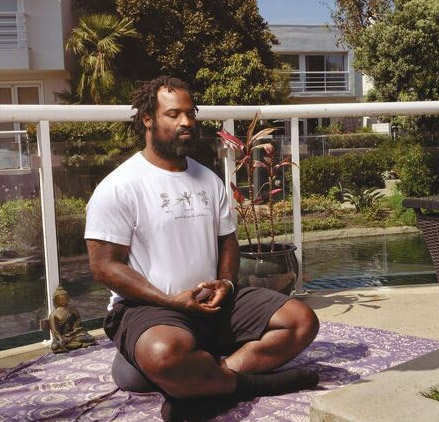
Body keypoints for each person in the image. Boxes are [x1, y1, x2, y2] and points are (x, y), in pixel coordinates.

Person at [84, 76, 320, 421]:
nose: (186, 123)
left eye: (190, 114)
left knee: (301, 321)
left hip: (214, 303)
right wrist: (169, 300)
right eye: (174, 114)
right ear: (148, 118)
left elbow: (227, 241)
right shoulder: (119, 186)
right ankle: (249, 385)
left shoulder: (207, 179)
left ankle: (208, 381)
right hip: (150, 306)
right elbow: (104, 267)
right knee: (164, 353)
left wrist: (225, 284)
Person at [49, 285, 96, 353]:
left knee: (90, 338)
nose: (63, 301)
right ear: (55, 301)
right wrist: (60, 338)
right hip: (62, 336)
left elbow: (78, 324)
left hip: (75, 334)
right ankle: (72, 343)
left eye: (65, 299)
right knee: (55, 346)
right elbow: (54, 331)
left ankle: (71, 343)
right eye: (60, 300)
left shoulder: (73, 310)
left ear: (68, 299)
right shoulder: (53, 315)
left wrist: (76, 331)